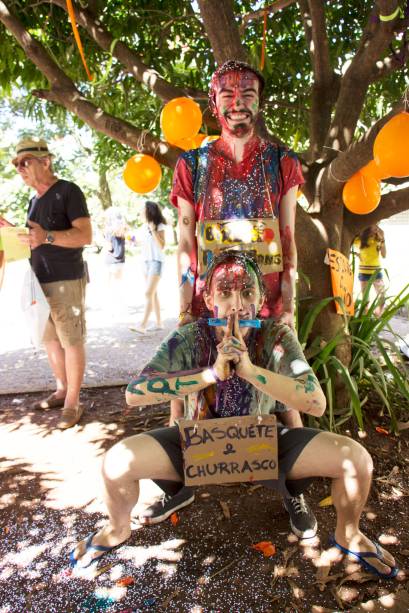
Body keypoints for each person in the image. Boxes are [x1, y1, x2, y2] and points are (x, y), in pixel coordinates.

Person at [70, 252, 398, 580]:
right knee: (115, 464)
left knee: (357, 461)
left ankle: (348, 534)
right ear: (209, 298)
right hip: (193, 445)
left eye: (247, 293)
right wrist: (210, 375)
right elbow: (135, 393)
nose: (236, 305)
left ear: (260, 298)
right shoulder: (188, 337)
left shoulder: (276, 336)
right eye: (225, 293)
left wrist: (251, 371)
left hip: (266, 443)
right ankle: (117, 529)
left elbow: (316, 402)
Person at [154, 59, 308, 530]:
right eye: (228, 94)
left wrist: (289, 305)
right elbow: (184, 239)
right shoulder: (192, 164)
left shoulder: (281, 160)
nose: (238, 103)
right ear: (213, 101)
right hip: (207, 299)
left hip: (266, 298)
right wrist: (184, 305)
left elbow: (287, 236)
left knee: (285, 389)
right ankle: (179, 485)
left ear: (259, 101)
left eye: (247, 94)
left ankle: (296, 492)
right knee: (187, 382)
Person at [11, 137, 92, 429]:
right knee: (50, 339)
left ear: (46, 162)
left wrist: (46, 236)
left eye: (25, 162)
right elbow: (34, 240)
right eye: (16, 164)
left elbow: (85, 235)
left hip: (66, 278)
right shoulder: (33, 201)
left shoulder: (68, 191)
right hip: (38, 280)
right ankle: (61, 390)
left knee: (71, 340)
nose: (19, 168)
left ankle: (73, 402)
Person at [132, 200, 166, 334]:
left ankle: (142, 325)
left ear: (149, 211)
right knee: (154, 293)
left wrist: (153, 230)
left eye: (143, 209)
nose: (141, 211)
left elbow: (162, 245)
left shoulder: (159, 226)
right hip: (145, 262)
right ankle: (159, 323)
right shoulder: (144, 226)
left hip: (156, 262)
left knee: (148, 293)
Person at [353, 225, 386, 316]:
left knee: (382, 297)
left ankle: (377, 316)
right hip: (364, 274)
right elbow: (348, 243)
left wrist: (383, 239)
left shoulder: (378, 240)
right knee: (365, 300)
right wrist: (356, 254)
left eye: (377, 225)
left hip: (376, 273)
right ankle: (365, 319)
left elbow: (384, 255)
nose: (376, 227)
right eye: (374, 225)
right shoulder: (359, 240)